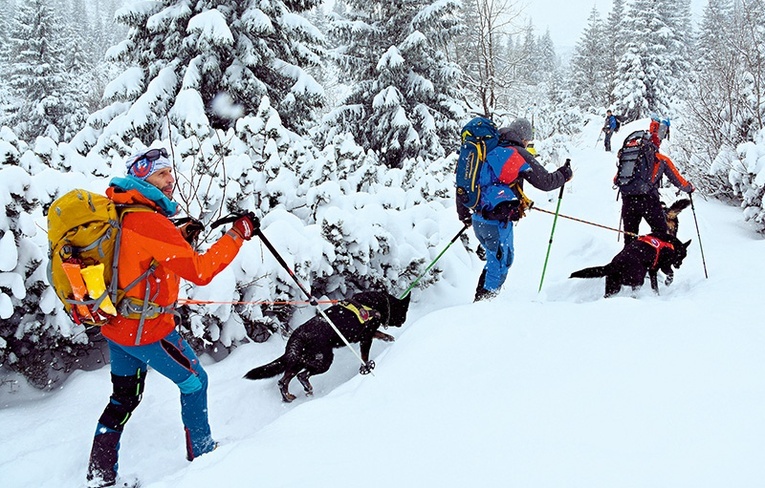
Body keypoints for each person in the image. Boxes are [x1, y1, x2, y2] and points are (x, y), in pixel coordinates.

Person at [86, 148, 259, 487]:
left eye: (171, 173)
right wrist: (238, 233)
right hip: (148, 331)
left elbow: (134, 258)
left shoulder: (121, 211)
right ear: (142, 177)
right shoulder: (150, 220)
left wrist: (177, 238)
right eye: (162, 174)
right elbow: (201, 271)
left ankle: (99, 476)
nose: (171, 180)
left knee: (122, 399)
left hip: (116, 327)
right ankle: (205, 459)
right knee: (195, 382)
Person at [457, 118, 572, 302]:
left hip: (479, 218)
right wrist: (564, 174)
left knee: (494, 260)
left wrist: (465, 216)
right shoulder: (515, 152)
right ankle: (483, 308)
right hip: (497, 221)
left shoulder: (486, 149)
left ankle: (483, 300)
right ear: (523, 137)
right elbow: (545, 182)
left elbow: (464, 182)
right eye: (528, 140)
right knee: (500, 265)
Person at [618, 137, 694, 246]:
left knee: (630, 237)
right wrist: (689, 188)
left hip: (628, 200)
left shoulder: (629, 158)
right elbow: (677, 180)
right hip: (648, 200)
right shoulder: (660, 159)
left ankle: (629, 260)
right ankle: (660, 260)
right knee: (661, 234)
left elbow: (616, 179)